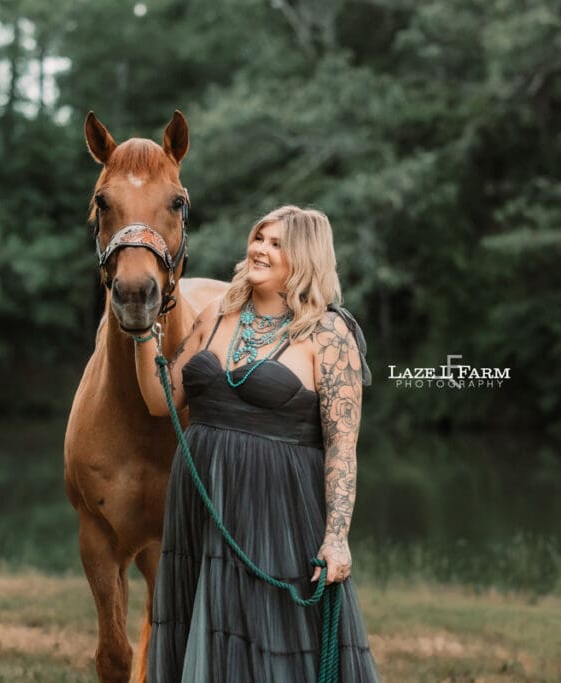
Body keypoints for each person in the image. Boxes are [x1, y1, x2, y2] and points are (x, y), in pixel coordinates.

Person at [134, 205, 380, 682]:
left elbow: (342, 448)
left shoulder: (329, 334)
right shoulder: (217, 313)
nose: (259, 249)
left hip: (278, 512)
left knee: (271, 639)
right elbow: (159, 401)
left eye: (276, 244)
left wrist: (336, 537)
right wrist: (144, 331)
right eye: (258, 238)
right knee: (205, 626)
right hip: (201, 502)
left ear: (305, 257)